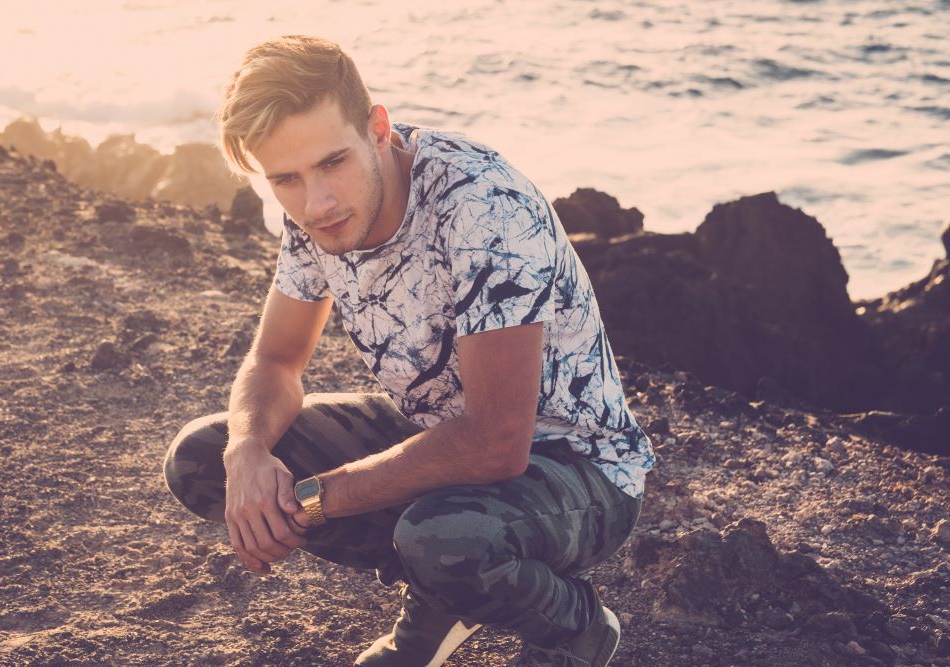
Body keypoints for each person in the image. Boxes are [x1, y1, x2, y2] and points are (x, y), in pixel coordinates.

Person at [163, 35, 655, 667]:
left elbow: (497, 441)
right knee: (204, 459)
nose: (317, 202)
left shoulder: (482, 207)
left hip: (575, 465)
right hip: (439, 429)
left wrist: (309, 499)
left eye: (333, 162)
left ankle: (578, 626)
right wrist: (247, 455)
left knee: (442, 537)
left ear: (378, 127)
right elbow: (277, 360)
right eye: (285, 178)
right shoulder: (315, 206)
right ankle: (442, 596)